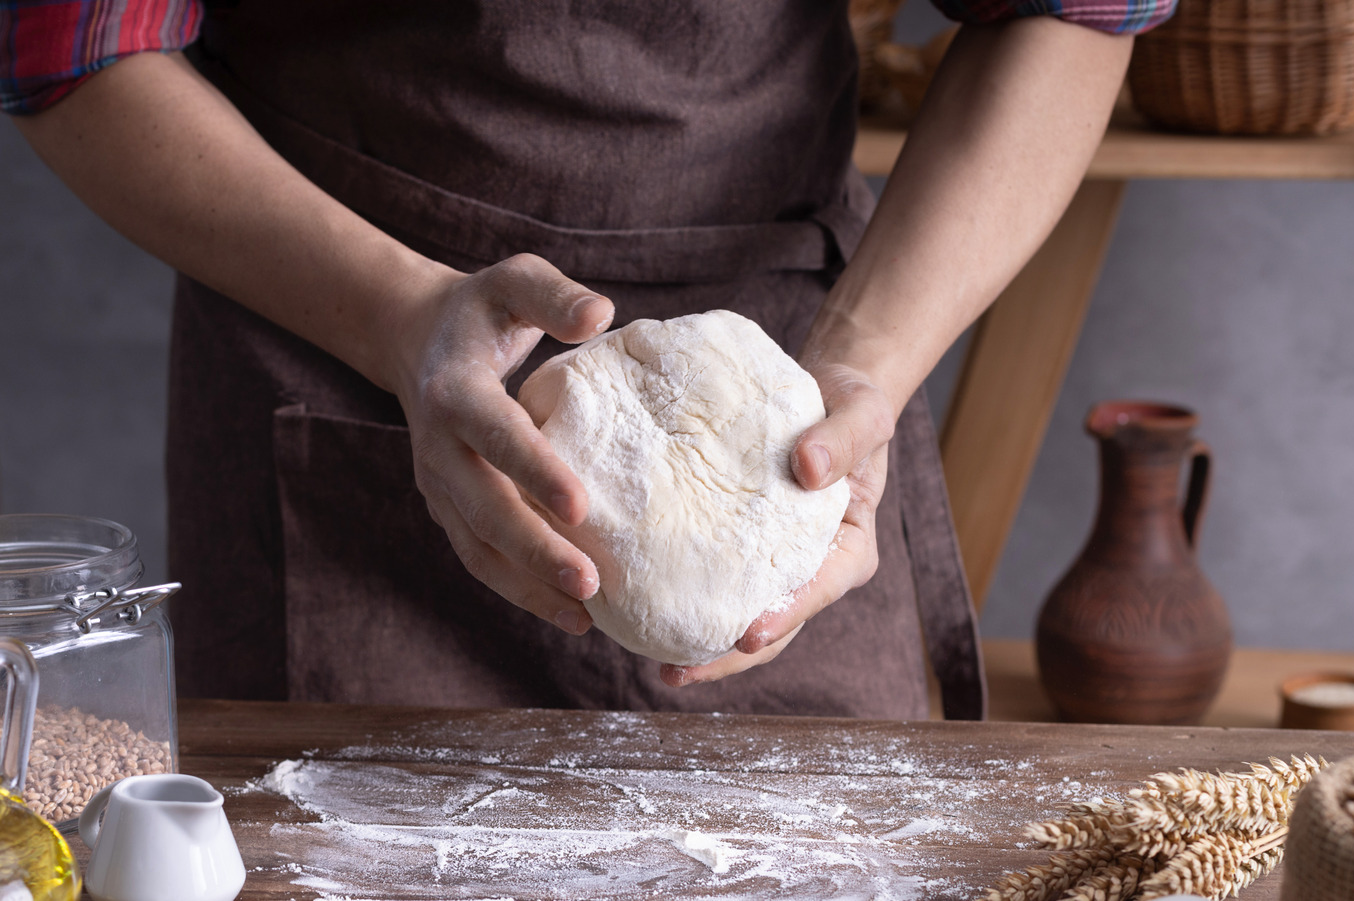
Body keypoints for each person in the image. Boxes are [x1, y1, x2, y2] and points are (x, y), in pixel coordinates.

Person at [3, 0, 1172, 720]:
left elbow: (1070, 6)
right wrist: (401, 319)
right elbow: (77, 41)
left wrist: (862, 371)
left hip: (790, 389)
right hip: (331, 327)